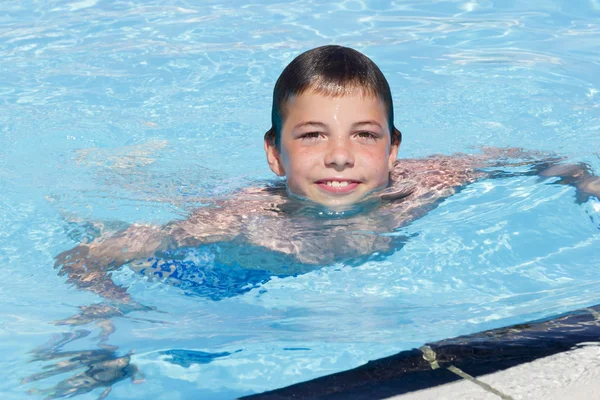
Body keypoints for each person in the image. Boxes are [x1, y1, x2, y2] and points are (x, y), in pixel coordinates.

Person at [55, 45, 600, 305]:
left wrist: (584, 181)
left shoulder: (428, 183)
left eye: (364, 135)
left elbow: (527, 158)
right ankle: (125, 170)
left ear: (393, 151)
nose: (340, 156)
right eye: (313, 135)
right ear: (275, 154)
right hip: (241, 270)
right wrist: (107, 314)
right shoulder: (239, 219)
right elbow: (83, 258)